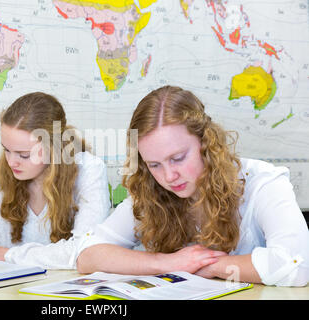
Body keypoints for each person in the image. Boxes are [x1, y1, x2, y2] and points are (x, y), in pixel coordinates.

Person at [76, 85, 308, 286]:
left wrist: (212, 265)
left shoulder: (264, 183)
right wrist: (169, 263)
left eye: (178, 158)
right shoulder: (151, 190)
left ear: (206, 143)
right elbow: (88, 255)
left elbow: (298, 266)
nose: (169, 176)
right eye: (154, 164)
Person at [0, 92, 111, 269]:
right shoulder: (3, 178)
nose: (11, 162)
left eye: (24, 155)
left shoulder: (88, 169)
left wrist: (8, 255)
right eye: (6, 150)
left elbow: (85, 252)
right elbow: (4, 252)